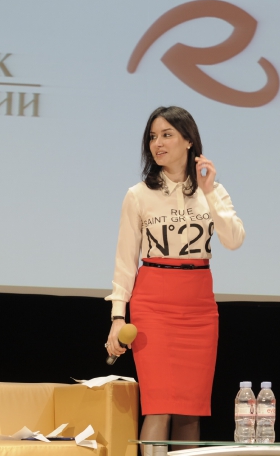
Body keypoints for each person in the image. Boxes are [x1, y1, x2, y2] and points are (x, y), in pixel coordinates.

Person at [105, 106, 245, 455]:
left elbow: (234, 240)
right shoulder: (138, 194)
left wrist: (209, 192)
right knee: (158, 404)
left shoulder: (213, 191)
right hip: (153, 304)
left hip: (199, 308)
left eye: (167, 135)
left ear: (188, 140)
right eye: (153, 137)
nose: (158, 143)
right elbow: (125, 261)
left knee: (190, 409)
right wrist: (118, 317)